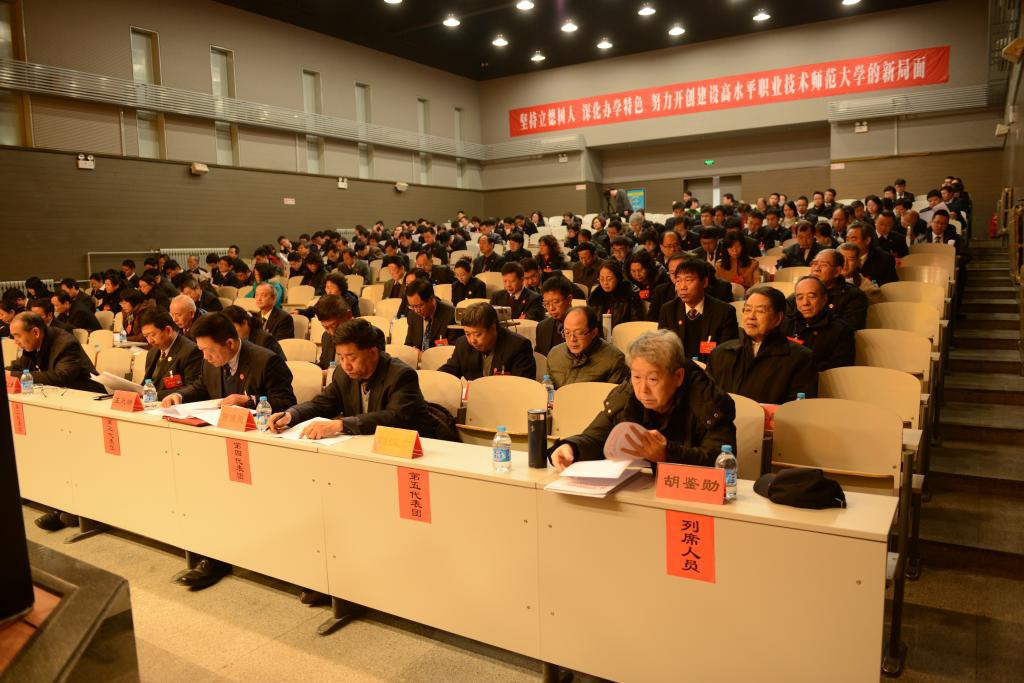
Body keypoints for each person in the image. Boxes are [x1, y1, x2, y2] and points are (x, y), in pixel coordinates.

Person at [160, 313, 295, 591]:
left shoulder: (266, 360)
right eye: (201, 350)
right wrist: (180, 395)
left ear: (230, 343)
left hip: (261, 448)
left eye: (209, 350)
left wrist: (250, 400)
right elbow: (203, 386)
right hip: (220, 442)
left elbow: (287, 402)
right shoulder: (211, 361)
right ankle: (215, 556)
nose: (205, 356)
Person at [549, 330, 736, 471]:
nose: (643, 389)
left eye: (653, 379)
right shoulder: (626, 396)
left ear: (678, 377)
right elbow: (596, 437)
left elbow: (720, 459)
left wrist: (668, 454)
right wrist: (571, 447)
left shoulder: (709, 402)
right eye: (637, 377)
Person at [268, 317, 435, 438]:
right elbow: (321, 404)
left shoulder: (401, 375)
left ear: (373, 352)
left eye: (351, 357)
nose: (346, 365)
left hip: (412, 448)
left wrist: (341, 424)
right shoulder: (342, 374)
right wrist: (291, 415)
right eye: (341, 357)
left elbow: (394, 418)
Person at [705, 286, 817, 404]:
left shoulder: (800, 358)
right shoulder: (720, 353)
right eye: (747, 310)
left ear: (778, 318)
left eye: (760, 311)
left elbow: (798, 408)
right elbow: (706, 398)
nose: (751, 317)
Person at [658, 259, 739, 361]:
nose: (682, 287)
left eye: (688, 280)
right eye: (678, 281)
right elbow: (663, 348)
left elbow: (727, 353)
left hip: (711, 367)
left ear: (704, 282)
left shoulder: (724, 312)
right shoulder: (668, 310)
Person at [8, 312, 103, 393]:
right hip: (58, 394)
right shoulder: (32, 343)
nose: (16, 341)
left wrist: (11, 375)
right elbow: (20, 366)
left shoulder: (66, 343)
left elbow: (60, 378)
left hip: (86, 394)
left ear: (35, 332)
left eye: (18, 336)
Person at [438, 303, 535, 380]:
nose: (472, 340)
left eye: (477, 334)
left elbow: (522, 386)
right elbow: (449, 370)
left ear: (493, 328)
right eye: (467, 334)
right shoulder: (462, 344)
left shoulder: (518, 346)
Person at [781, 277, 855, 372]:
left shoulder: (841, 330)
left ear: (824, 299)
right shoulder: (786, 323)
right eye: (800, 298)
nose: (805, 303)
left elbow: (840, 370)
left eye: (811, 296)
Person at [546, 307, 628, 388]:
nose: (572, 339)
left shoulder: (615, 360)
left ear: (594, 333)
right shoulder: (555, 354)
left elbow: (615, 396)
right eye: (567, 333)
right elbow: (548, 389)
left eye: (579, 333)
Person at [138, 309, 204, 398]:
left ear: (168, 330)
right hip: (150, 402)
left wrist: (154, 395)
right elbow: (148, 383)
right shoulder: (152, 352)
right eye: (146, 336)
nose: (150, 341)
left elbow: (192, 388)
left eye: (153, 335)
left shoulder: (190, 351)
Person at [587, 260, 644, 329]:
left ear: (618, 278)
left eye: (609, 278)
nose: (605, 283)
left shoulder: (630, 295)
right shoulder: (595, 295)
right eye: (601, 279)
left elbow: (636, 323)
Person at [404, 279, 456, 351]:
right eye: (412, 306)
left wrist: (425, 355)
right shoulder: (412, 315)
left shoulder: (451, 315)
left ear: (431, 299)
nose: (416, 310)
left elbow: (452, 350)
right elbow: (408, 345)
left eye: (420, 305)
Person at [846, 221, 898, 286]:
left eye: (853, 239)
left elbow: (890, 287)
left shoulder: (885, 259)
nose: (848, 243)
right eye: (847, 239)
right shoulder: (841, 257)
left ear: (867, 240)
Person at [536, 277, 574, 356]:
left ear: (569, 299)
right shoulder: (542, 327)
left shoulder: (585, 324)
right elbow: (540, 358)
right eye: (547, 303)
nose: (551, 308)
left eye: (556, 302)